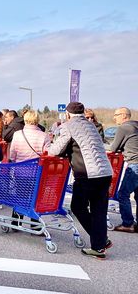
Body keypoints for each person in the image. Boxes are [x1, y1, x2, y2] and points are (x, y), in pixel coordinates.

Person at [49, 102, 113, 259]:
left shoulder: (67, 126)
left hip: (87, 174)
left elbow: (55, 151)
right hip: (105, 172)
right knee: (99, 210)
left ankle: (100, 242)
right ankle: (99, 244)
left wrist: (51, 149)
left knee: (77, 207)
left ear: (68, 114)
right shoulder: (91, 125)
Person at [8, 110, 50, 229]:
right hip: (37, 172)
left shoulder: (17, 134)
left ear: (25, 120)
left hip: (20, 171)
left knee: (20, 196)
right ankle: (35, 224)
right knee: (35, 197)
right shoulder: (44, 135)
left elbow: (12, 155)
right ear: (37, 120)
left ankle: (16, 222)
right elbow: (47, 155)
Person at [109, 107, 138, 233]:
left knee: (123, 194)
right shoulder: (135, 126)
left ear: (124, 116)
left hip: (134, 164)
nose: (114, 117)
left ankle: (127, 223)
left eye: (116, 115)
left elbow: (114, 147)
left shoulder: (124, 127)